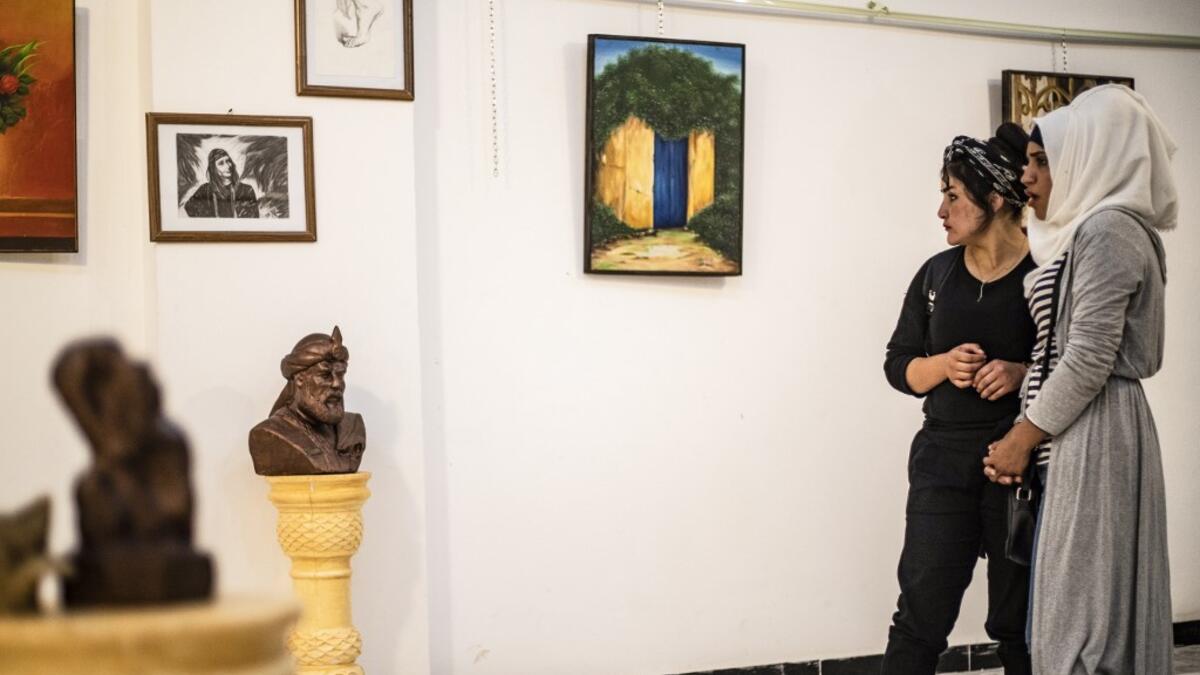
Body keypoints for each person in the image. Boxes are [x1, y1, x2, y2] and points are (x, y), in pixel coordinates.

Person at [983, 84, 1177, 674]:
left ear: (1090, 157)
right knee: (1072, 614)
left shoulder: (1109, 230)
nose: (1029, 174)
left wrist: (1023, 436)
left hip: (1095, 430)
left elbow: (1090, 355)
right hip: (1074, 430)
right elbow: (1062, 345)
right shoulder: (1085, 232)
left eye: (1043, 160)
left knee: (1083, 628)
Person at [881, 123, 1036, 675]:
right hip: (941, 460)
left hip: (1018, 467)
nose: (941, 211)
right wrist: (944, 365)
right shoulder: (936, 274)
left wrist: (1021, 372)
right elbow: (898, 365)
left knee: (1020, 624)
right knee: (920, 614)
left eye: (952, 196)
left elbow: (1074, 364)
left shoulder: (1044, 274)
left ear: (994, 199)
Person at [249, 326, 367, 475]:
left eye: (341, 375)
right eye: (325, 376)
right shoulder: (270, 434)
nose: (337, 384)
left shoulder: (352, 427)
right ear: (299, 379)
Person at [183, 148, 259, 218]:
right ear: (214, 169)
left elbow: (253, 219)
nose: (228, 165)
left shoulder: (246, 190)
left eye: (228, 161)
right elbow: (189, 207)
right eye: (221, 163)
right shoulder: (205, 189)